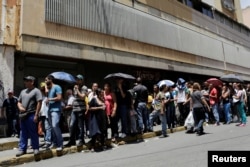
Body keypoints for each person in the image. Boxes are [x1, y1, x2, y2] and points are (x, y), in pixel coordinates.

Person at [16, 76, 42, 157]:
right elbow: (18, 101)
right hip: (23, 115)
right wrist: (20, 107)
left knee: (33, 132)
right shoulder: (23, 91)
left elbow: (39, 102)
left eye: (27, 81)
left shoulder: (36, 91)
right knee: (23, 132)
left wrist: (36, 115)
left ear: (32, 82)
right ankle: (22, 149)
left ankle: (35, 148)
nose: (25, 82)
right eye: (25, 81)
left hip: (31, 114)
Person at [65, 74, 88, 147]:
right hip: (74, 109)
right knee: (72, 125)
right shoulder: (75, 88)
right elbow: (75, 97)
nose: (77, 81)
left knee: (81, 126)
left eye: (78, 80)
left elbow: (82, 97)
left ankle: (81, 140)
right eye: (76, 80)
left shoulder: (84, 88)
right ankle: (72, 141)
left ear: (81, 80)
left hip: (81, 109)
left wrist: (77, 89)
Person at [45, 75, 63, 151]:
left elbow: (59, 97)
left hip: (56, 110)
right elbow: (47, 94)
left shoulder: (57, 87)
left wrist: (50, 99)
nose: (45, 81)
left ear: (51, 80)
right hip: (50, 109)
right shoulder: (49, 89)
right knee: (52, 127)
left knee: (55, 126)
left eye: (46, 80)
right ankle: (54, 143)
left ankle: (60, 144)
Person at [39, 82, 52, 148]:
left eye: (43, 89)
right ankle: (46, 140)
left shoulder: (48, 96)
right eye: (41, 89)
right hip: (42, 114)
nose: (42, 90)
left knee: (48, 127)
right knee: (44, 128)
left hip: (47, 114)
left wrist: (46, 87)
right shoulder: (41, 96)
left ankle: (48, 141)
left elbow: (47, 92)